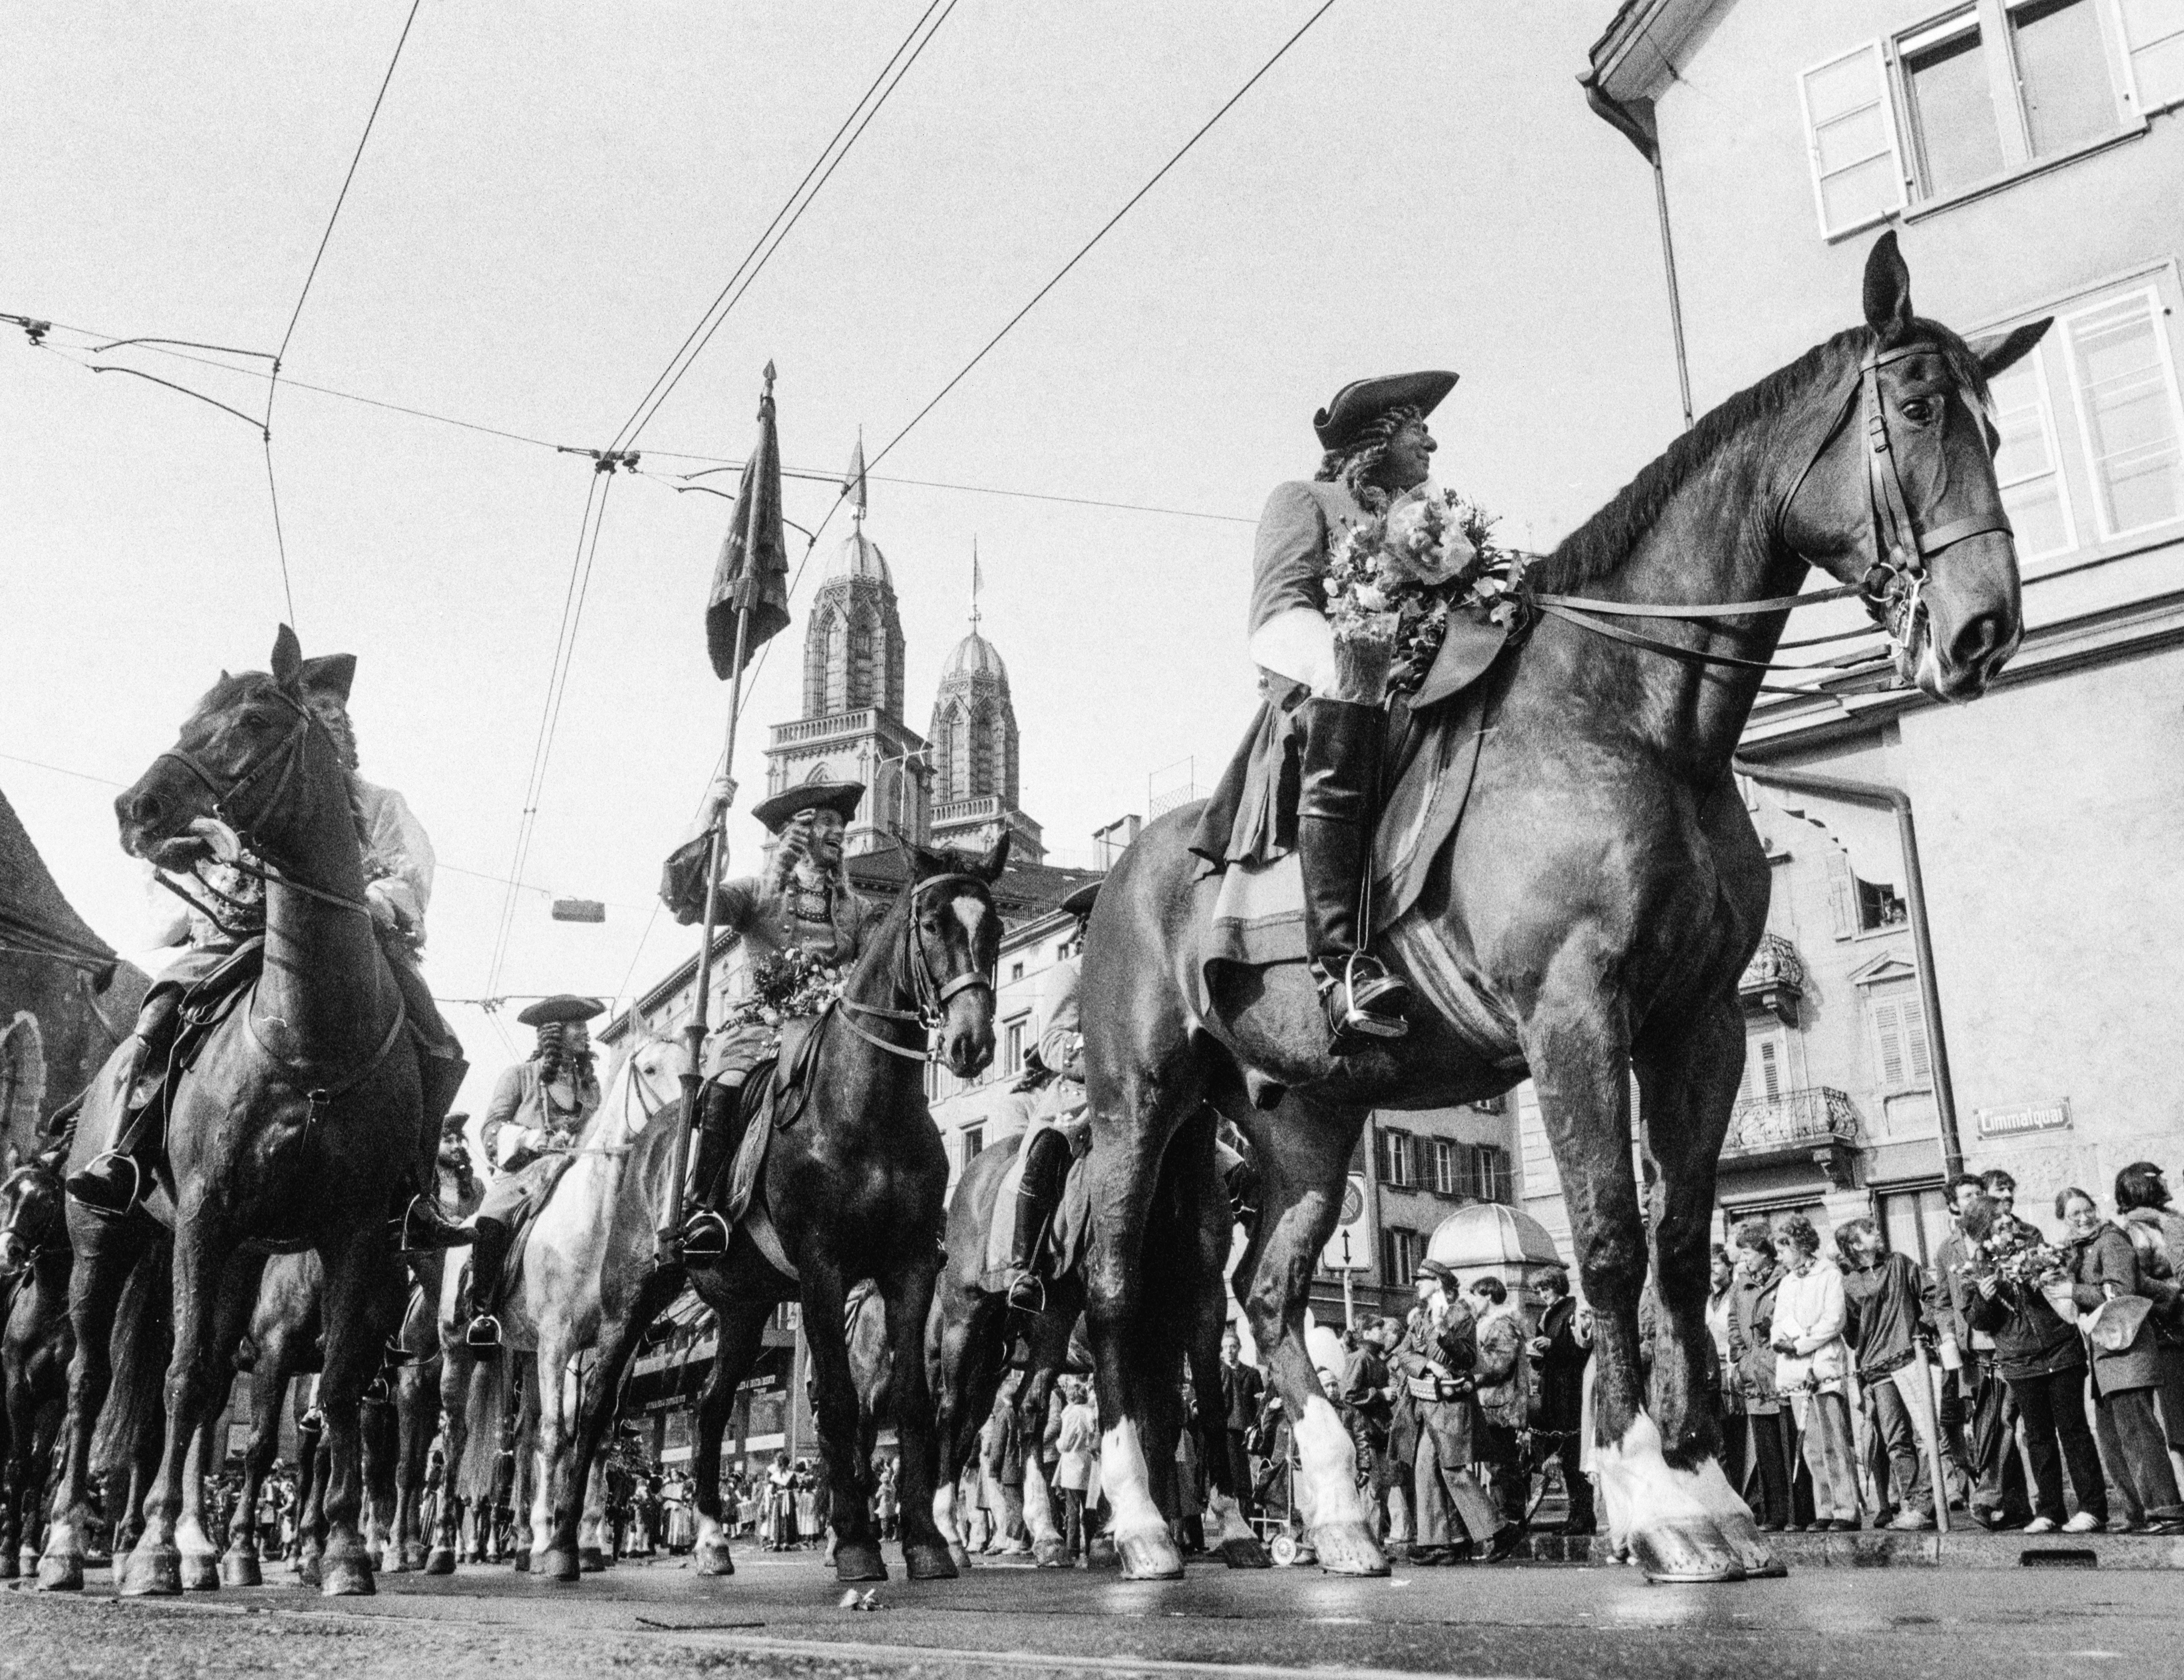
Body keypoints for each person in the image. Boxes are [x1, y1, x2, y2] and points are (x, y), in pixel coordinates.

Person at [68, 653, 468, 1224]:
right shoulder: (244, 795)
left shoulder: (380, 802)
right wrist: (185, 855)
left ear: (346, 730)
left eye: (332, 715)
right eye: (313, 714)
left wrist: (374, 902)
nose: (324, 725)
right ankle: (125, 1150)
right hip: (235, 936)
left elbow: (409, 872)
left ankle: (412, 1187)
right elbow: (179, 862)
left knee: (435, 1033)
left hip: (347, 943)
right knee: (160, 1008)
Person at [1190, 372, 1469, 1049]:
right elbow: (1277, 615)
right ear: (1376, 440)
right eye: (1414, 428)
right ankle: (1342, 967)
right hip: (1332, 695)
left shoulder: (1434, 524)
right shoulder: (1302, 500)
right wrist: (1358, 668)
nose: (1430, 439)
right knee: (1348, 719)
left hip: (1428, 684)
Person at [669, 781, 886, 1257]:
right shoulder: (756, 895)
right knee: (726, 1084)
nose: (838, 833)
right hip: (763, 1029)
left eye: (842, 826)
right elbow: (688, 903)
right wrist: (709, 817)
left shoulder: (857, 908)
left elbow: (877, 972)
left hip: (832, 1028)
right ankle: (707, 1206)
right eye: (826, 823)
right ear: (797, 833)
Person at [460, 995, 604, 1347]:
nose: (586, 1033)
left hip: (578, 1170)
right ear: (555, 1032)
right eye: (578, 1026)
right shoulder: (519, 1077)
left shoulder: (590, 1085)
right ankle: (484, 1313)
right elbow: (491, 1131)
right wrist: (532, 1139)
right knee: (492, 1217)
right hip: (527, 1174)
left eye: (585, 1026)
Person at [1960, 1196, 2107, 1533]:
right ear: (1985, 1229)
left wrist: (2039, 1274)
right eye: (1999, 1222)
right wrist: (1985, 1298)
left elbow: (2060, 1283)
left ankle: (2092, 1508)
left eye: (2007, 1218)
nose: (2008, 1224)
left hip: (2060, 1350)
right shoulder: (1977, 1265)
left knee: (2074, 1431)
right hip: (2019, 1360)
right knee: (2038, 1437)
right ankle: (2049, 1510)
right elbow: (1979, 1321)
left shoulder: (2034, 1242)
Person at [2060, 1186, 2184, 1531]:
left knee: (2139, 1435)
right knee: (2113, 1440)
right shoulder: (2078, 1250)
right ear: (2064, 1221)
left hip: (2128, 1351)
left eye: (2087, 1210)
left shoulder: (2111, 1240)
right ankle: (2137, 1513)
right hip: (2105, 1357)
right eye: (2075, 1214)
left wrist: (2071, 1291)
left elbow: (2119, 1292)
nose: (2084, 1218)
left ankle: (2167, 1510)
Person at [1006, 881, 1097, 1310]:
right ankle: (1027, 1268)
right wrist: (1105, 1058)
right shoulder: (1073, 973)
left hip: (1140, 1095)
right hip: (1080, 1095)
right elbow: (1054, 1043)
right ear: (1085, 928)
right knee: (1046, 1153)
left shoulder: (1141, 976)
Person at [1835, 1217, 1940, 1530]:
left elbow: (1932, 1294)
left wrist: (1925, 1324)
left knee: (1926, 1433)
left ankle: (1925, 1503)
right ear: (1855, 1245)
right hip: (1877, 1367)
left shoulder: (1900, 1263)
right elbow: (1852, 1332)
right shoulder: (1849, 1283)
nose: (1878, 1233)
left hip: (1911, 1358)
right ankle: (1914, 1506)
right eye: (1869, 1232)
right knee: (1896, 1440)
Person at [1397, 1259, 1504, 1563]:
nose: (1416, 1283)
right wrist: (1428, 1364)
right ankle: (1444, 1541)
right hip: (1426, 1404)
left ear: (1439, 1283)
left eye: (1422, 1279)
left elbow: (1469, 1358)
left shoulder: (1460, 1315)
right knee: (1427, 1470)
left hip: (1452, 1404)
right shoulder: (1419, 1317)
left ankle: (1494, 1530)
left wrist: (1444, 1332)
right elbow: (1403, 1352)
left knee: (1450, 1470)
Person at [1770, 1214, 1859, 1531]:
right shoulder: (1787, 1282)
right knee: (1811, 1445)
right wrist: (1788, 1341)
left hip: (1823, 1366)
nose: (1780, 1257)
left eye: (1784, 1249)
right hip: (1796, 1372)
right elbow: (1778, 1323)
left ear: (1799, 1245)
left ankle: (1846, 1509)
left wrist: (1803, 1343)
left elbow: (1834, 1320)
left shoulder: (1829, 1274)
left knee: (1834, 1441)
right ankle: (1824, 1509)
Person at [1724, 1222, 1793, 1532]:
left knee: (1789, 1444)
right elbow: (1734, 1321)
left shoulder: (1785, 1277)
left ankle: (1796, 1514)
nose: (1744, 1260)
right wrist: (1741, 1358)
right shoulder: (1741, 1284)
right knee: (1765, 1449)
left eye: (1749, 1253)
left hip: (1781, 1370)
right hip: (1754, 1374)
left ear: (1765, 1253)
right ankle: (1774, 1514)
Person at [2113, 1161, 2184, 1462]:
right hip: (2169, 1330)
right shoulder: (2137, 1230)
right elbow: (2137, 1281)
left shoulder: (2170, 1221)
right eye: (2161, 1178)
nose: (2167, 1184)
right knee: (2179, 1416)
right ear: (2146, 1185)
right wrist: (2173, 1296)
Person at [1528, 1266, 1593, 1536]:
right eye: (1539, 1290)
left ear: (1558, 1286)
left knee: (1573, 1453)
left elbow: (1580, 1350)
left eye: (1546, 1289)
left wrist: (1552, 1346)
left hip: (1570, 1389)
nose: (1543, 1294)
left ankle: (1583, 1515)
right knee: (1565, 1457)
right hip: (1554, 1388)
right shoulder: (1548, 1314)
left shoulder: (1573, 1310)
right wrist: (1538, 1352)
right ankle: (1575, 1513)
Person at [1469, 1277, 1530, 1533]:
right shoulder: (1489, 1325)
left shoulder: (1502, 1326)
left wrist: (1470, 1376)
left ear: (1488, 1297)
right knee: (1497, 1464)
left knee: (1502, 1464)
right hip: (1492, 1405)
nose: (1473, 1302)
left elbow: (1498, 1365)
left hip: (1500, 1406)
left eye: (1476, 1296)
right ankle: (1507, 1516)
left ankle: (1511, 1519)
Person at [1217, 1325, 1265, 1524]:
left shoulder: (1252, 1374)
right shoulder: (1219, 1372)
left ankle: (1252, 1525)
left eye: (1233, 1346)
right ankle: (1235, 1524)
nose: (1230, 1350)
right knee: (1233, 1481)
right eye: (1226, 1347)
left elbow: (1260, 1405)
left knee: (1251, 1479)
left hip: (1249, 1432)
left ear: (1240, 1348)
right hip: (1228, 1431)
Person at [1054, 1378, 1100, 1562]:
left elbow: (1065, 1443)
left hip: (1072, 1465)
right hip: (1088, 1464)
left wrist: (1058, 1444)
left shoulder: (1071, 1414)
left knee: (1072, 1510)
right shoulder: (1090, 1412)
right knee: (1089, 1509)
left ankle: (1073, 1548)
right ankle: (1090, 1545)